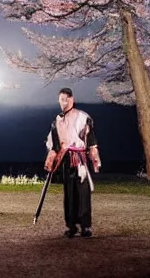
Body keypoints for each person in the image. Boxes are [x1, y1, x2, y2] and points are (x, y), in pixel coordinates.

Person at [44, 88, 101, 238]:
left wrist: (94, 158)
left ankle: (85, 226)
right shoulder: (57, 121)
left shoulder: (83, 117)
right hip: (66, 159)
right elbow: (54, 143)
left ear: (71, 99)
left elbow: (91, 140)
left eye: (65, 99)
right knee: (69, 193)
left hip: (80, 158)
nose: (63, 102)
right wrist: (52, 158)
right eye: (61, 100)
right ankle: (71, 226)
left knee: (83, 192)